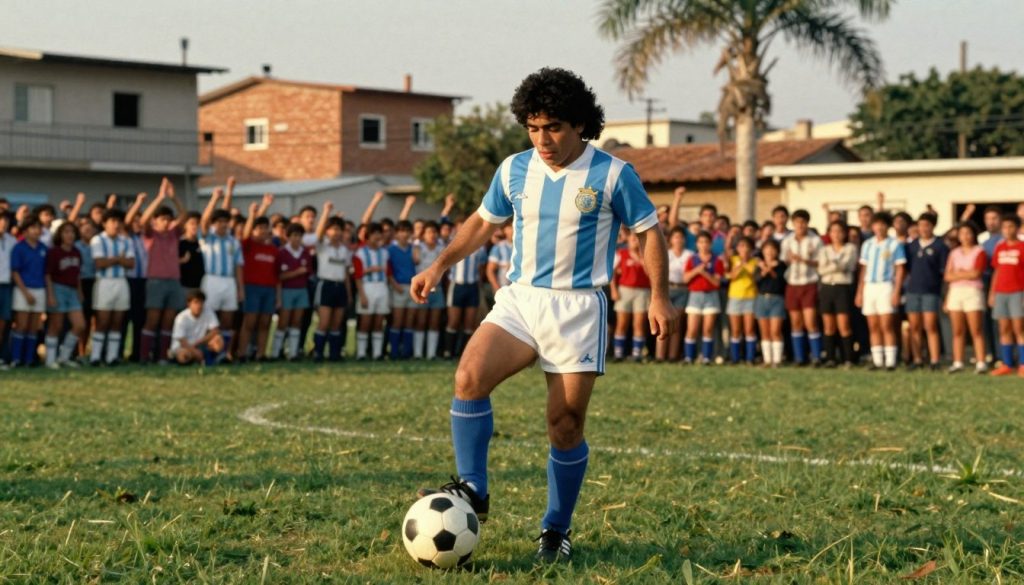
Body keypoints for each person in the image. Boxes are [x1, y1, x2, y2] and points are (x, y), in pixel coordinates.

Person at [410, 68, 673, 563]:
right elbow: (481, 224)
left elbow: (648, 232)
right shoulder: (514, 169)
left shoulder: (614, 174)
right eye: (532, 127)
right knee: (468, 377)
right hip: (521, 299)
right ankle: (474, 490)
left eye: (552, 126)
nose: (542, 139)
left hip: (578, 309)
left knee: (565, 424)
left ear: (578, 124)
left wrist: (660, 294)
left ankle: (555, 529)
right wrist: (440, 264)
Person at [138, 178, 188, 364]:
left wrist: (174, 199)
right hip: (155, 281)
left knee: (168, 320)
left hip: (173, 281)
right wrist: (160, 198)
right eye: (162, 219)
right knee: (153, 319)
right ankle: (144, 356)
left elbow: (184, 216)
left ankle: (162, 356)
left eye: (168, 219)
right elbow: (143, 220)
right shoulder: (151, 235)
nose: (166, 223)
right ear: (155, 221)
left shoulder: (174, 234)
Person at [855, 212, 906, 371]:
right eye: (876, 224)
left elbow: (899, 269)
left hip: (886, 286)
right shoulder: (867, 244)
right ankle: (877, 361)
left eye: (883, 224)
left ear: (887, 226)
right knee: (873, 326)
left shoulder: (894, 244)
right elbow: (863, 269)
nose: (879, 227)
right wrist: (860, 291)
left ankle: (890, 361)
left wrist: (897, 291)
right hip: (870, 286)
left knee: (887, 325)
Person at [199, 189, 244, 360]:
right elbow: (203, 222)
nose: (223, 225)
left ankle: (223, 353)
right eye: (219, 222)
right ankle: (206, 352)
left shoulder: (234, 242)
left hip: (229, 282)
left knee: (227, 319)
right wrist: (214, 199)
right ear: (214, 223)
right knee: (209, 317)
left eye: (226, 222)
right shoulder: (208, 237)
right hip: (212, 280)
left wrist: (240, 288)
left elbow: (238, 266)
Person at [89, 208, 135, 366]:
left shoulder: (126, 241)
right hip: (104, 282)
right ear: (104, 224)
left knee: (117, 321)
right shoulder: (98, 240)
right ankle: (95, 356)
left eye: (118, 221)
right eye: (112, 221)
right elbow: (99, 263)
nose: (116, 225)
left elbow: (131, 263)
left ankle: (112, 356)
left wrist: (113, 260)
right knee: (102, 321)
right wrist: (118, 259)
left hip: (121, 281)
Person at [904, 213, 949, 370]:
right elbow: (907, 269)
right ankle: (917, 359)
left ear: (933, 226)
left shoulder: (940, 246)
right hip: (913, 291)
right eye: (921, 225)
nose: (923, 228)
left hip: (931, 291)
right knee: (914, 326)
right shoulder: (911, 246)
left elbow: (944, 272)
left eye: (927, 225)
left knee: (930, 326)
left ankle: (935, 359)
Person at [236, 195, 278, 362]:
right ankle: (242, 353)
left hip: (268, 289)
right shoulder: (248, 245)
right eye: (258, 228)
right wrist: (256, 212)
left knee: (265, 323)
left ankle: (261, 353)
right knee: (249, 322)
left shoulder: (273, 249)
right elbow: (246, 233)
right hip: (251, 287)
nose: (262, 231)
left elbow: (276, 275)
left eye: (265, 228)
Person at [312, 202, 354, 363]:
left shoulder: (344, 250)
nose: (336, 232)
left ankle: (334, 354)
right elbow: (318, 233)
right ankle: (318, 353)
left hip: (340, 287)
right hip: (326, 286)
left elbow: (345, 273)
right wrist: (326, 213)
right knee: (323, 322)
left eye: (339, 229)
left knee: (336, 324)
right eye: (333, 229)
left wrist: (349, 294)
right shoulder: (322, 246)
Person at [781, 209, 823, 366]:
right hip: (792, 283)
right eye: (797, 222)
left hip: (809, 282)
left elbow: (820, 262)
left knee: (810, 321)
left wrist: (804, 260)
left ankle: (817, 356)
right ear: (793, 223)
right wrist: (790, 260)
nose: (800, 225)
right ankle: (799, 357)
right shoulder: (788, 240)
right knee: (795, 322)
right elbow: (783, 260)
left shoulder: (815, 240)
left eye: (803, 222)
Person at [944, 221, 988, 374]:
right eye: (962, 233)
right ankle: (958, 361)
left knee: (976, 329)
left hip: (973, 291)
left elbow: (976, 273)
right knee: (957, 330)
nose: (965, 236)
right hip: (956, 292)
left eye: (968, 233)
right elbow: (948, 276)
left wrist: (959, 274)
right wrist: (965, 273)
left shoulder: (979, 251)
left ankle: (981, 361)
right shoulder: (954, 253)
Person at [817, 220, 858, 367]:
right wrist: (835, 266)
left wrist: (832, 265)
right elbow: (821, 270)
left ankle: (848, 358)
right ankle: (830, 358)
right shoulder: (824, 250)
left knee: (844, 325)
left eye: (839, 231)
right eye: (833, 231)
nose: (836, 234)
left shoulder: (850, 248)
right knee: (828, 325)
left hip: (843, 287)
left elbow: (848, 266)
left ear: (844, 233)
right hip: (827, 287)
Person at [43, 222, 85, 369]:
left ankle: (64, 357)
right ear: (60, 235)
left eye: (72, 232)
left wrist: (79, 291)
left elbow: (77, 274)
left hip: (72, 290)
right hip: (57, 288)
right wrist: (51, 295)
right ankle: (50, 359)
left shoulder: (77, 252)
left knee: (80, 324)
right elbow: (47, 275)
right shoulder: (54, 252)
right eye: (66, 232)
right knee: (56, 325)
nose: (70, 235)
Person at [270, 223, 313, 361]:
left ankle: (293, 353)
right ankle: (275, 352)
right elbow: (279, 276)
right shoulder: (282, 253)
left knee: (297, 321)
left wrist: (299, 273)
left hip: (301, 290)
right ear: (287, 237)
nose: (297, 239)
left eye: (300, 236)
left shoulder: (305, 253)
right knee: (283, 322)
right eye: (294, 235)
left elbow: (308, 273)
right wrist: (296, 272)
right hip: (286, 290)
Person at [988, 214, 1024, 376]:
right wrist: (992, 293)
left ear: (1017, 228)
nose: (1007, 230)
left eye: (1011, 227)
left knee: (1019, 328)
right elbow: (997, 271)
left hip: (1018, 292)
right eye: (1005, 227)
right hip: (1001, 292)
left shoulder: (1022, 247)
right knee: (1004, 328)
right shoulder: (1000, 247)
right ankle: (1007, 364)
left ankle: (1022, 364)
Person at [9, 215, 48, 367]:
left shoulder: (43, 248)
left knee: (34, 327)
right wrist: (25, 293)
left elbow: (46, 272)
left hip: (40, 289)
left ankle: (29, 359)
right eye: (33, 227)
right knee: (21, 325)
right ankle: (16, 358)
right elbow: (15, 272)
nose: (36, 230)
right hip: (23, 290)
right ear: (24, 231)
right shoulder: (19, 248)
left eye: (38, 227)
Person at [683, 231, 723, 365]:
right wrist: (697, 270)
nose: (704, 245)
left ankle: (707, 357)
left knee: (708, 329)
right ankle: (689, 357)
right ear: (697, 244)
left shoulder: (717, 260)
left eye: (706, 242)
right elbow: (686, 278)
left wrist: (704, 272)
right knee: (692, 329)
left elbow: (717, 282)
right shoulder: (692, 259)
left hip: (711, 295)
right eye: (701, 242)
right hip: (695, 295)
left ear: (710, 244)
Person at [610, 232, 651, 362]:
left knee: (639, 323)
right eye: (633, 238)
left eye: (637, 239)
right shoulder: (621, 253)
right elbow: (612, 274)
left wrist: (639, 259)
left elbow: (650, 273)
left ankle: (637, 353)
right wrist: (614, 290)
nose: (635, 241)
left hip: (642, 291)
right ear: (628, 239)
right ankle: (618, 353)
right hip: (625, 290)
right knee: (622, 323)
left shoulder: (646, 255)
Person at [353, 223, 391, 360]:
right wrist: (362, 295)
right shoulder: (360, 253)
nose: (377, 236)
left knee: (379, 322)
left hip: (382, 287)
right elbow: (357, 276)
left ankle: (377, 353)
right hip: (367, 287)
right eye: (373, 233)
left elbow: (389, 273)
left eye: (378, 233)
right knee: (365, 321)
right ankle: (361, 353)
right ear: (367, 237)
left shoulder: (385, 252)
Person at [445, 240, 488, 359]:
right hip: (457, 285)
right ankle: (448, 351)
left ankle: (463, 353)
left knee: (469, 323)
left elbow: (481, 268)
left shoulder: (480, 247)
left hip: (472, 286)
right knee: (453, 321)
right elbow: (447, 267)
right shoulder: (454, 244)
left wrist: (480, 288)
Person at [656, 226, 690, 362]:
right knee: (663, 323)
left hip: (682, 289)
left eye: (681, 237)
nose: (679, 240)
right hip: (667, 289)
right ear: (671, 239)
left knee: (676, 324)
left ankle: (672, 356)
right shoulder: (666, 253)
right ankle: (659, 356)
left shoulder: (689, 254)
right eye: (676, 237)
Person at [412, 221, 445, 359]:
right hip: (421, 288)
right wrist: (417, 241)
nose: (432, 235)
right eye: (429, 232)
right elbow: (416, 260)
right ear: (423, 234)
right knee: (421, 321)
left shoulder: (441, 247)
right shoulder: (418, 247)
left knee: (434, 322)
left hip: (437, 288)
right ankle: (418, 353)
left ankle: (431, 354)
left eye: (434, 232)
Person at [387, 219, 417, 360]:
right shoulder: (390, 250)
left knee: (409, 320)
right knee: (397, 320)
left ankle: (406, 351)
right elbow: (388, 270)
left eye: (407, 231)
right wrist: (394, 284)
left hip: (412, 287)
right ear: (396, 234)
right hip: (398, 287)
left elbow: (417, 262)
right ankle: (394, 351)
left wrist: (416, 245)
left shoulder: (414, 248)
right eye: (401, 231)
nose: (404, 234)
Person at [726, 236, 758, 365]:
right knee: (735, 330)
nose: (743, 249)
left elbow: (754, 274)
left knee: (749, 329)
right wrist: (738, 265)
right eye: (740, 246)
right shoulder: (733, 260)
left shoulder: (755, 261)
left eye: (746, 246)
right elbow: (731, 276)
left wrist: (745, 262)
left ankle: (750, 358)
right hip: (735, 297)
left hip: (750, 297)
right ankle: (735, 358)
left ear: (751, 248)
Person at [755, 239, 787, 367]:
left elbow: (780, 281)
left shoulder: (781, 265)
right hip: (762, 298)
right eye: (767, 249)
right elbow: (756, 280)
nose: (769, 251)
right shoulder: (759, 265)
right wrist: (764, 269)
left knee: (775, 331)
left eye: (772, 249)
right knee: (765, 331)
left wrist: (771, 269)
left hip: (777, 299)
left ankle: (777, 360)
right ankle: (767, 360)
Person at [169, 290, 223, 365]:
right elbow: (182, 341)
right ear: (189, 304)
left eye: (201, 302)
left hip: (199, 345)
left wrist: (198, 343)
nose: (199, 305)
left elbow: (215, 330)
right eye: (196, 302)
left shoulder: (208, 311)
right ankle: (199, 360)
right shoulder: (181, 317)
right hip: (182, 347)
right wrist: (194, 351)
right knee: (183, 356)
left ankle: (214, 359)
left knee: (217, 339)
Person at [0, 212, 15, 368]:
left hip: (6, 286)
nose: (3, 223)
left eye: (5, 220)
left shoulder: (12, 241)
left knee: (3, 324)